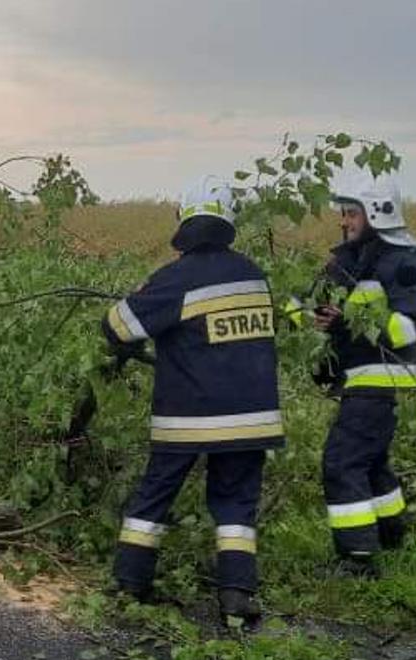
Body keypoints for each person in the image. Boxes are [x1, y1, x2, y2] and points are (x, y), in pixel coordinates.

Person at [101, 177, 284, 626]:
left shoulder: (176, 278)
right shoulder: (253, 274)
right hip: (252, 418)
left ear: (183, 221)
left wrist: (144, 298)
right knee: (237, 508)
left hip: (188, 416)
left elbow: (117, 328)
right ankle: (237, 598)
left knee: (155, 497)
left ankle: (129, 585)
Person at [288, 173, 416, 577]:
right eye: (343, 213)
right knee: (372, 464)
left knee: (341, 463)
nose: (344, 221)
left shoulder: (407, 265)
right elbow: (302, 302)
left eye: (351, 213)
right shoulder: (347, 260)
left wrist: (348, 320)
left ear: (377, 213)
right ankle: (393, 538)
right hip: (359, 380)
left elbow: (407, 328)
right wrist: (303, 314)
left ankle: (358, 561)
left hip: (380, 378)